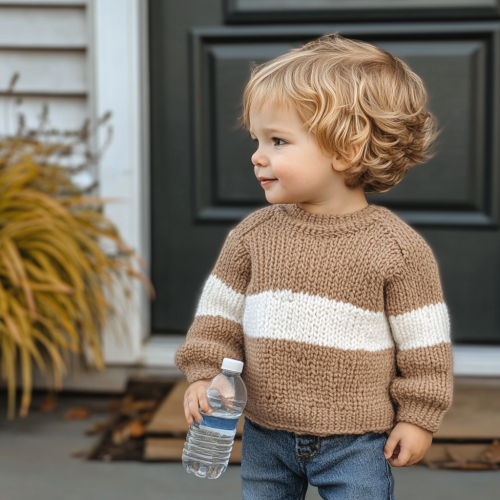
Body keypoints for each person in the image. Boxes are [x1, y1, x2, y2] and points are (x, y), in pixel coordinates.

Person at [175, 34, 453, 499]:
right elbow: (217, 320)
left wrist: (417, 416)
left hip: (358, 442)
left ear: (345, 149)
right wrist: (203, 374)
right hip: (265, 433)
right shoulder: (253, 236)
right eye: (257, 139)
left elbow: (423, 347)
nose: (257, 155)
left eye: (278, 141)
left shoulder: (397, 249)